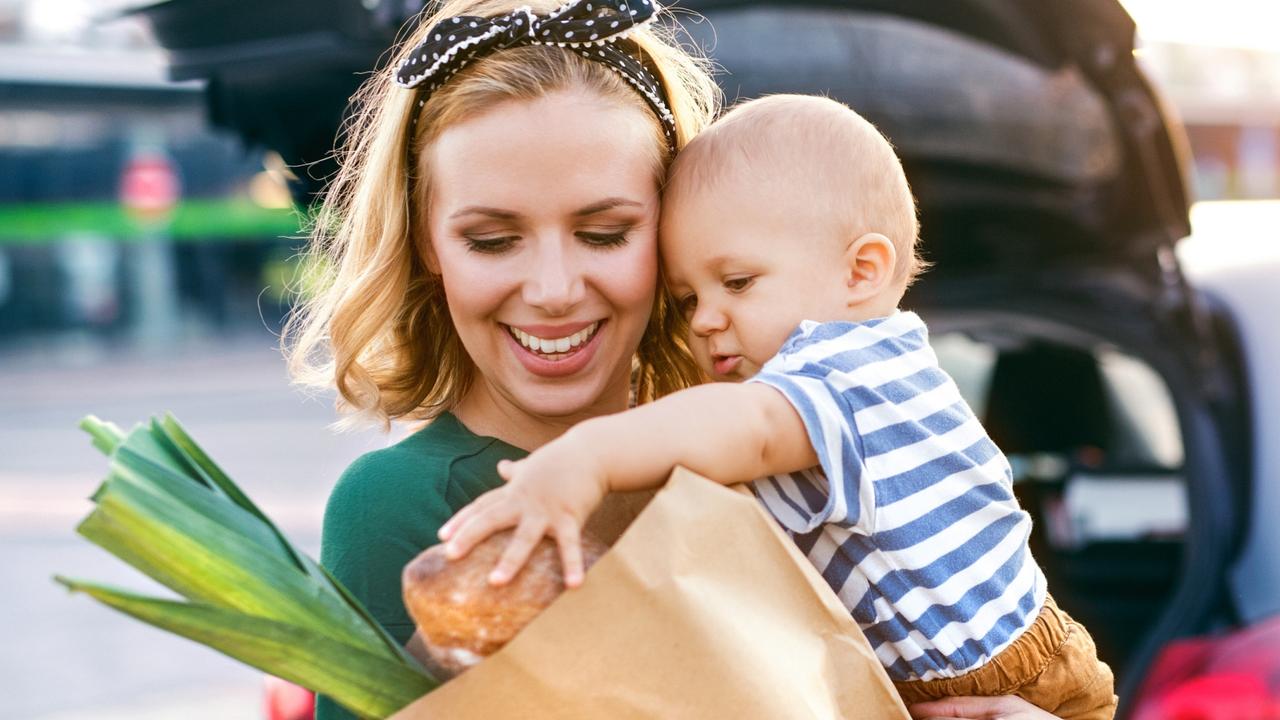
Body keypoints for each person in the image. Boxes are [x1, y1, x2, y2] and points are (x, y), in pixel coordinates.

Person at [440, 95, 1118, 719]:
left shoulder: (845, 373)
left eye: (736, 282)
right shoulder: (861, 373)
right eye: (687, 300)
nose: (705, 320)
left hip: (1008, 682)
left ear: (862, 272)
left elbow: (752, 428)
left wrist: (586, 458)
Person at [282, 1, 718, 718]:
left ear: (673, 226)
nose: (553, 290)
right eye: (492, 240)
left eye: (604, 233)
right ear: (428, 245)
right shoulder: (394, 505)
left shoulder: (743, 449)